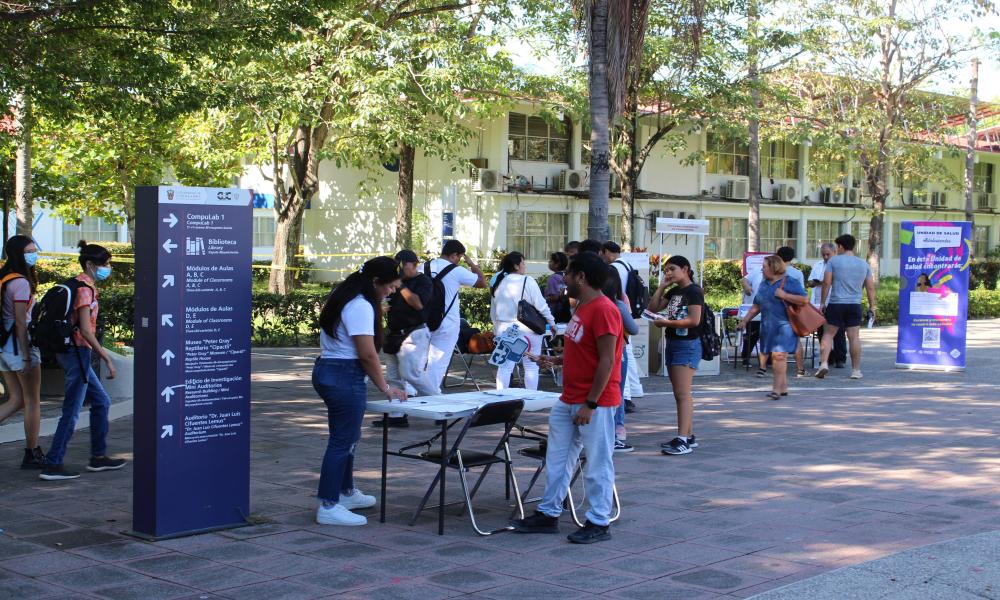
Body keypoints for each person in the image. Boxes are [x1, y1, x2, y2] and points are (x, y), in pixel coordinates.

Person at [511, 251, 622, 544]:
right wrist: (558, 360)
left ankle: (599, 521)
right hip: (570, 397)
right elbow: (585, 350)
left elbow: (607, 361)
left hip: (593, 401)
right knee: (558, 458)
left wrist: (590, 403)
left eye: (569, 275)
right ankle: (549, 513)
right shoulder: (583, 307)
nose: (563, 281)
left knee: (598, 463)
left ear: (581, 277)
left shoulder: (603, 309)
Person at [314, 256, 406, 526]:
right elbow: (367, 354)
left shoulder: (346, 296)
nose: (392, 292)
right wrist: (386, 387)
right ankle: (328, 506)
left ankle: (344, 492)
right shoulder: (361, 306)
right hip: (344, 374)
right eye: (389, 287)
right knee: (342, 441)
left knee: (347, 438)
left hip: (331, 370)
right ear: (376, 282)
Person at [40, 242, 126, 481]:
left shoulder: (79, 284)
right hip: (78, 353)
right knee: (72, 411)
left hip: (75, 354)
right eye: (104, 264)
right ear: (90, 264)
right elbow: (87, 331)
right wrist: (106, 357)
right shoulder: (84, 290)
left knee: (101, 402)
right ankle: (53, 463)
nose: (107, 268)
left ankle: (98, 457)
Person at [648, 256, 704, 456]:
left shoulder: (694, 291)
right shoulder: (674, 291)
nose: (668, 273)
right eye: (666, 270)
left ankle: (683, 440)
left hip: (687, 345)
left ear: (685, 268)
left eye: (672, 269)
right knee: (680, 393)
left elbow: (694, 320)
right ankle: (687, 435)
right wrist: (662, 286)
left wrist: (667, 323)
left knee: (682, 393)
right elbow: (652, 308)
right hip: (673, 343)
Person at [736, 255, 809, 400]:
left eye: (764, 267)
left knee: (779, 356)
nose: (762, 270)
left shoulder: (790, 282)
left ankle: (776, 389)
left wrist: (785, 295)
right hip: (768, 326)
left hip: (785, 326)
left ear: (774, 267)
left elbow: (804, 300)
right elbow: (756, 306)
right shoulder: (764, 284)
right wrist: (744, 321)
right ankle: (783, 387)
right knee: (776, 356)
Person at [0, 235, 45, 468]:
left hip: (3, 346)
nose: (34, 253)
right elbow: (20, 321)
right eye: (29, 250)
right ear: (18, 253)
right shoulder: (21, 282)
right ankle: (32, 452)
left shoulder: (3, 277)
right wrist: (27, 355)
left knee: (17, 399)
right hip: (18, 345)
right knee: (32, 401)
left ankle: (32, 451)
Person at [379, 250, 435, 428]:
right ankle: (397, 415)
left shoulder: (423, 281)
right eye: (399, 266)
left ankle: (443, 403)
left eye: (405, 265)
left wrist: (401, 286)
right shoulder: (394, 283)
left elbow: (418, 304)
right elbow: (387, 302)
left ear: (415, 263)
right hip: (394, 333)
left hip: (414, 333)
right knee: (394, 377)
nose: (401, 269)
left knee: (411, 373)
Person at [424, 240, 487, 392]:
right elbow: (482, 283)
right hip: (447, 322)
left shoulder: (423, 267)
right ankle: (431, 392)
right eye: (460, 257)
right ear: (454, 255)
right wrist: (472, 264)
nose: (460, 260)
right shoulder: (457, 270)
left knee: (418, 359)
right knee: (438, 360)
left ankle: (410, 390)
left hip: (423, 320)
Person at [490, 251, 555, 390]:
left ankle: (500, 398)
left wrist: (496, 331)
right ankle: (530, 398)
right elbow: (541, 305)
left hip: (505, 330)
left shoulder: (498, 283)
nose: (525, 266)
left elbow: (493, 312)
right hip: (528, 330)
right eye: (523, 263)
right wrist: (552, 322)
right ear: (516, 266)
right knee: (531, 366)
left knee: (505, 367)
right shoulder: (528, 281)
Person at [817, 234, 877, 380]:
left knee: (828, 334)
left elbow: (826, 283)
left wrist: (823, 302)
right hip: (854, 304)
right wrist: (872, 306)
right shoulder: (864, 264)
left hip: (837, 303)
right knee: (854, 337)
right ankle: (856, 370)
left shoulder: (833, 261)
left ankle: (824, 363)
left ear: (841, 247)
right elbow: (870, 287)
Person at [600, 241, 644, 412]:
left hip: (618, 317)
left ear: (605, 252)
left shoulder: (614, 269)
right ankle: (631, 392)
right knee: (627, 355)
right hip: (626, 314)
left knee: (621, 358)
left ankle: (624, 397)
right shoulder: (627, 264)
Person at [601, 271, 638, 453]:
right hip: (618, 351)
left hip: (600, 352)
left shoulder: (589, 305)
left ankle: (610, 433)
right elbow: (634, 328)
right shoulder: (618, 305)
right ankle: (617, 432)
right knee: (617, 390)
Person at [808, 243, 847, 368]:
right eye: (823, 254)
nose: (825, 257)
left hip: (835, 301)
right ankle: (828, 356)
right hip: (819, 302)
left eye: (828, 254)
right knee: (821, 331)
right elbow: (810, 281)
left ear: (835, 252)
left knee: (838, 331)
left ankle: (840, 358)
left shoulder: (840, 265)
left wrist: (825, 282)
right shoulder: (818, 265)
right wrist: (813, 282)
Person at [775, 246, 807, 377]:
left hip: (777, 309)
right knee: (795, 340)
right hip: (793, 309)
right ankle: (800, 369)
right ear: (792, 258)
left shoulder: (774, 272)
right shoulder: (797, 273)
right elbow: (802, 294)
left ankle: (779, 369)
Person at [544, 251, 571, 323]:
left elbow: (554, 297)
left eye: (550, 261)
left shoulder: (553, 278)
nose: (549, 262)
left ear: (557, 264)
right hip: (566, 309)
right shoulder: (566, 276)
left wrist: (544, 299)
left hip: (555, 311)